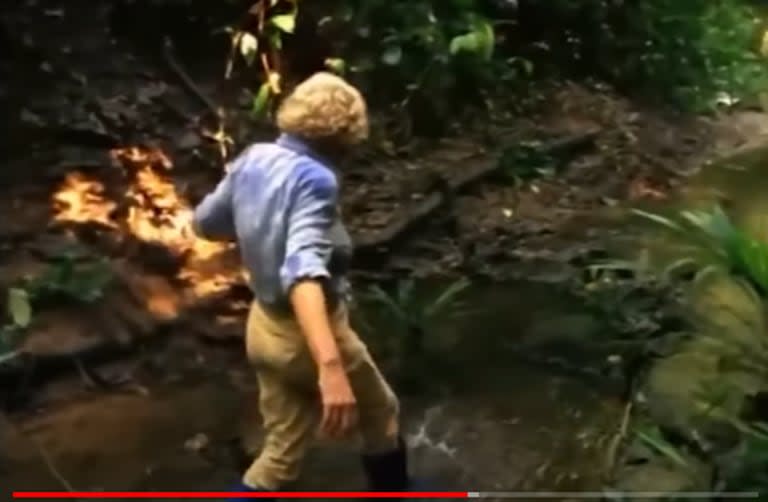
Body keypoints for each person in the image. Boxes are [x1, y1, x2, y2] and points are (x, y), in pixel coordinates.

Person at [192, 72, 420, 499]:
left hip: (262, 326)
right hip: (306, 335)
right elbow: (302, 272)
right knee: (382, 414)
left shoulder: (254, 158)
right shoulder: (317, 180)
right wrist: (331, 370)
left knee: (282, 451)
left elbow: (206, 223)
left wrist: (259, 226)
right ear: (347, 134)